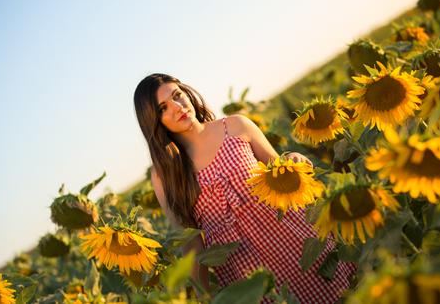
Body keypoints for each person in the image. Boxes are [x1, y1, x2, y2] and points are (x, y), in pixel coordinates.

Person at [133, 73, 355, 303]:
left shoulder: (235, 125)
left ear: (187, 93)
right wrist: (204, 297)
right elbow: (190, 242)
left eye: (177, 96)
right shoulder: (165, 174)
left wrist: (294, 157)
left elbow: (277, 166)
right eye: (163, 108)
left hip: (296, 241)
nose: (177, 107)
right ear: (154, 120)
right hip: (247, 276)